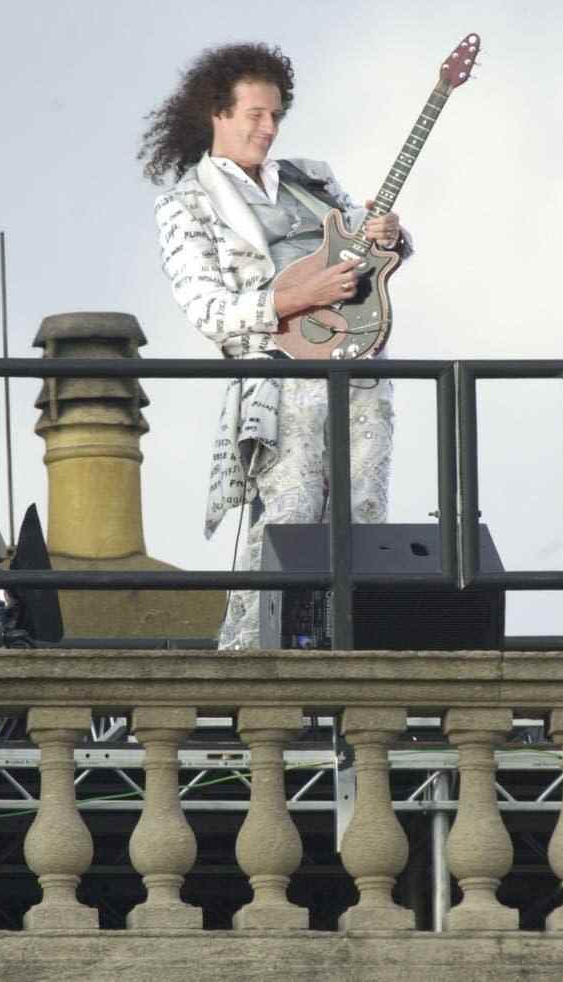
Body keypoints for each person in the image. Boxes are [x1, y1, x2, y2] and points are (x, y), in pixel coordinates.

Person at [139, 42, 412, 649]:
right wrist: (293, 297)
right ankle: (249, 655)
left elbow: (366, 252)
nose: (269, 127)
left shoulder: (311, 177)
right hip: (278, 375)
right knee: (287, 515)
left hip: (359, 365)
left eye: (277, 115)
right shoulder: (186, 203)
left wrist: (389, 234)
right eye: (256, 114)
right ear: (218, 113)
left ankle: (356, 646)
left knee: (365, 511)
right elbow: (208, 312)